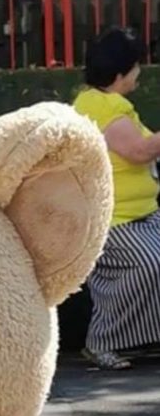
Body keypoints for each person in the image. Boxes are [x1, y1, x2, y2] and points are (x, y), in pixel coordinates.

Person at [73, 26, 160, 369]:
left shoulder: (110, 104)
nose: (140, 72)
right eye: (136, 66)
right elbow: (138, 152)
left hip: (143, 216)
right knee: (150, 264)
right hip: (116, 223)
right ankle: (102, 341)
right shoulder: (103, 106)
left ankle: (140, 338)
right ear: (121, 73)